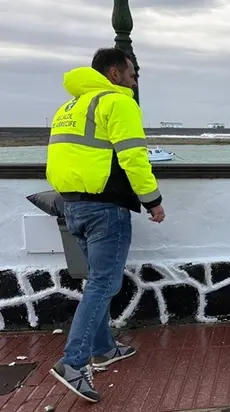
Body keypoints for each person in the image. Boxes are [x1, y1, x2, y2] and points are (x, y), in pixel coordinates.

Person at [45, 47, 166, 403]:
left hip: (72, 205)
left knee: (95, 281)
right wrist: (153, 201)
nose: (135, 78)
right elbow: (133, 157)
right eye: (132, 72)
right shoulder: (117, 103)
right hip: (105, 208)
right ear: (114, 73)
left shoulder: (69, 108)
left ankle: (102, 349)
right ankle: (72, 362)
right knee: (103, 283)